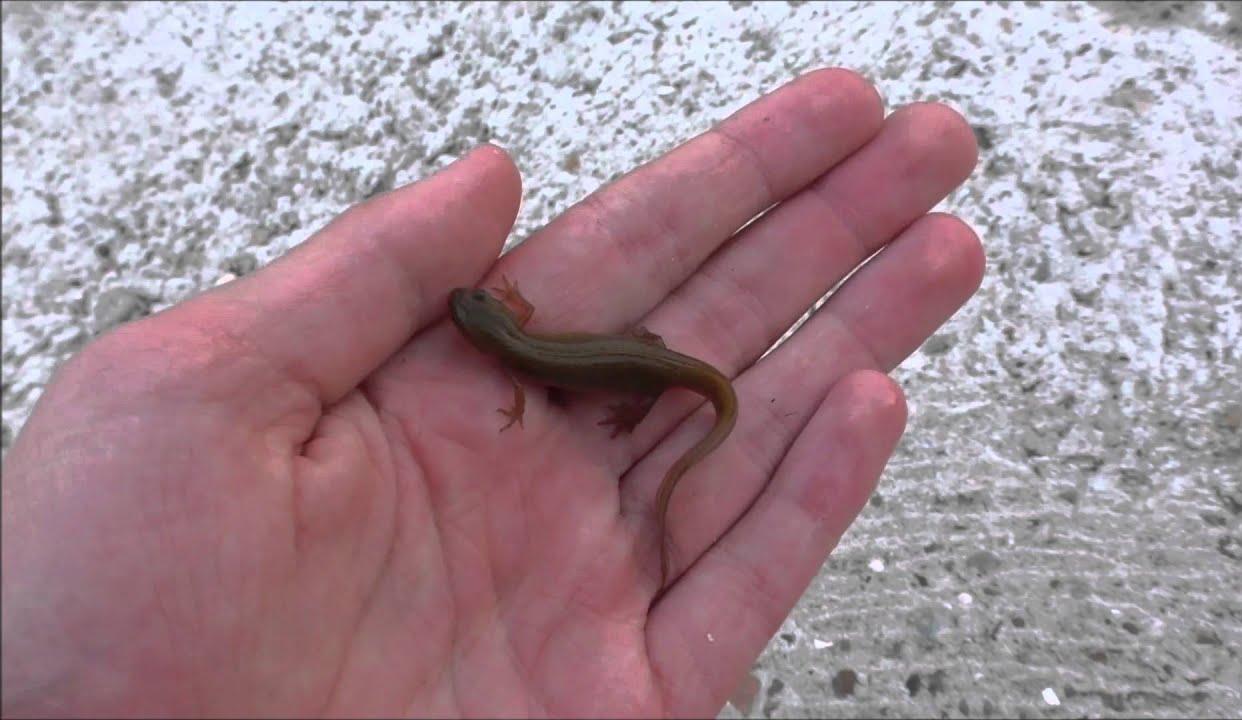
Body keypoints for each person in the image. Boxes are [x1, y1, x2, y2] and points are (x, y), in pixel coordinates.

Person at [1, 68, 983, 717]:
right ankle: (658, 392)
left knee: (652, 374)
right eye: (479, 313)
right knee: (644, 368)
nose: (475, 314)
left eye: (479, 312)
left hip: (649, 372)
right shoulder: (512, 344)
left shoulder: (510, 353)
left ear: (488, 332)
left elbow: (521, 370)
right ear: (490, 329)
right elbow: (519, 348)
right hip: (639, 364)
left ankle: (662, 396)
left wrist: (610, 387)